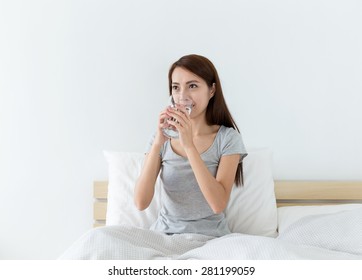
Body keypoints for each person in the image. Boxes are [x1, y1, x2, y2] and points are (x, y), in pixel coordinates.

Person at [134, 54, 247, 237]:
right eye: (176, 88)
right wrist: (157, 145)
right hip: (165, 237)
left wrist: (189, 146)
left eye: (192, 86)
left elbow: (218, 205)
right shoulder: (161, 138)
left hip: (212, 239)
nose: (182, 96)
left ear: (212, 90)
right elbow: (140, 202)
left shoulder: (227, 139)